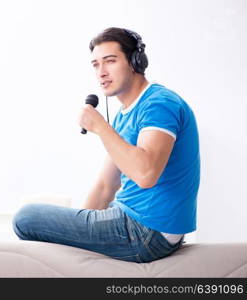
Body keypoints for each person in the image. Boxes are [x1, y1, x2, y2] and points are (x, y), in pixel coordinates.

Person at [12, 27, 200, 263]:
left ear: (135, 62)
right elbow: (105, 186)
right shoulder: (123, 115)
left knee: (25, 217)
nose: (101, 72)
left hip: (146, 231)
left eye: (110, 61)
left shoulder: (158, 104)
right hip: (135, 223)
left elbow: (146, 174)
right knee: (58, 215)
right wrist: (77, 229)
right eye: (95, 64)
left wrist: (101, 127)